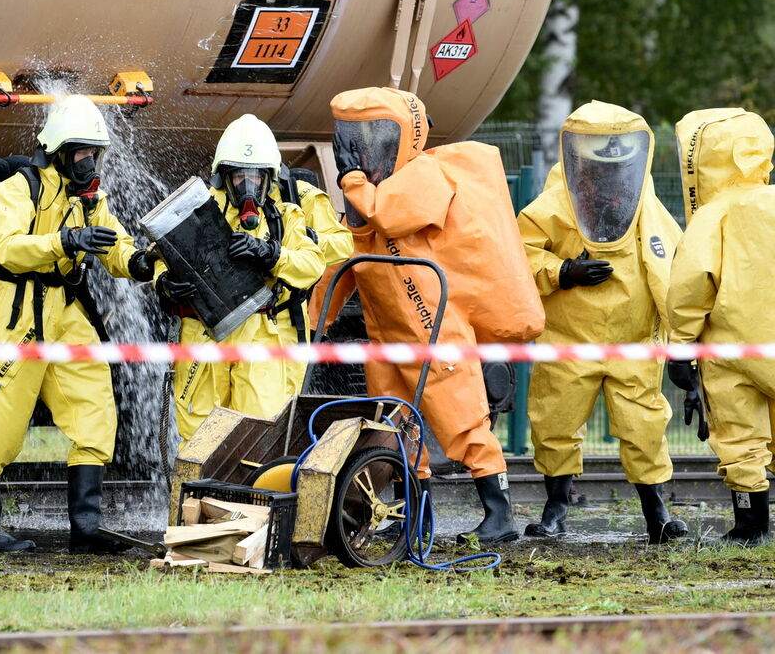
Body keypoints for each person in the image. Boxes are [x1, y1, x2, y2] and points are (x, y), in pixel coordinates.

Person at [333, 86, 537, 545]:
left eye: (372, 134)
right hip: (386, 333)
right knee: (394, 427)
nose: (361, 148)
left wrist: (351, 180)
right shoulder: (366, 191)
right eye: (353, 136)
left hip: (431, 322)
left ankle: (499, 515)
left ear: (405, 135)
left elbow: (387, 217)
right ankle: (414, 519)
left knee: (461, 418)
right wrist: (316, 313)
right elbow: (352, 249)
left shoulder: (421, 176)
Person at [0, 95, 155, 554]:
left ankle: (86, 530)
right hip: (15, 310)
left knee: (94, 412)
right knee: (0, 423)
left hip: (67, 311)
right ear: (58, 151)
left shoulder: (89, 201)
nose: (90, 164)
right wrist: (65, 240)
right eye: (82, 154)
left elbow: (115, 246)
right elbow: (7, 248)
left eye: (96, 154)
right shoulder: (14, 190)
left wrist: (142, 262)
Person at [517, 100, 687, 544]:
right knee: (553, 423)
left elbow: (671, 269)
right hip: (569, 338)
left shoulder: (646, 208)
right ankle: (555, 508)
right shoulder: (554, 204)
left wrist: (678, 341)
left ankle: (658, 512)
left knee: (644, 427)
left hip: (633, 341)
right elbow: (521, 255)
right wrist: (563, 272)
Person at [155, 113, 325, 440]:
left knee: (256, 437)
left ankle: (248, 492)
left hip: (262, 337)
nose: (248, 187)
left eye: (256, 178)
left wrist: (270, 253)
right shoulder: (198, 211)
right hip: (205, 337)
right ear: (224, 177)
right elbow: (163, 256)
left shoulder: (284, 216)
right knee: (200, 443)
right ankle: (197, 494)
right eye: (238, 177)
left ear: (268, 179)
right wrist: (165, 285)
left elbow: (311, 264)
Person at [666, 108, 775, 545]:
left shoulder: (714, 215)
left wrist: (680, 346)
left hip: (732, 353)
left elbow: (692, 284)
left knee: (739, 436)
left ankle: (751, 527)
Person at [273, 166, 353, 392]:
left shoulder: (301, 214)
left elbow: (342, 249)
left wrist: (310, 239)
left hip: (296, 317)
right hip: (295, 316)